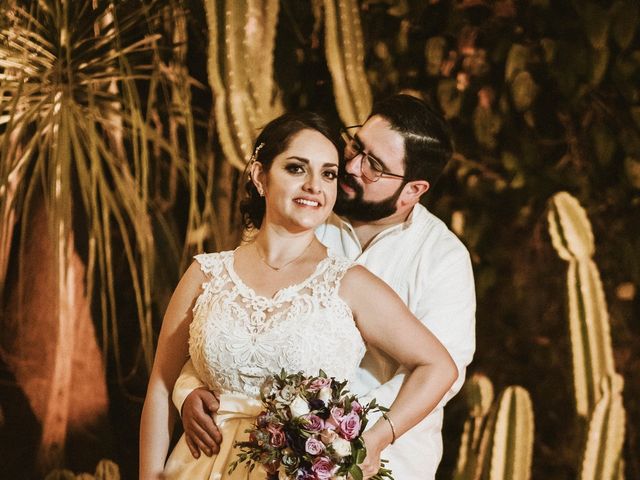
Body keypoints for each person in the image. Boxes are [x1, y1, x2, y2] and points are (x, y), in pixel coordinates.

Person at [139, 110, 458, 479]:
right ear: (260, 175)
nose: (313, 185)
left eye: (328, 174)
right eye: (296, 168)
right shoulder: (206, 273)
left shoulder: (350, 283)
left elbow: (440, 366)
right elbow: (161, 389)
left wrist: (372, 440)